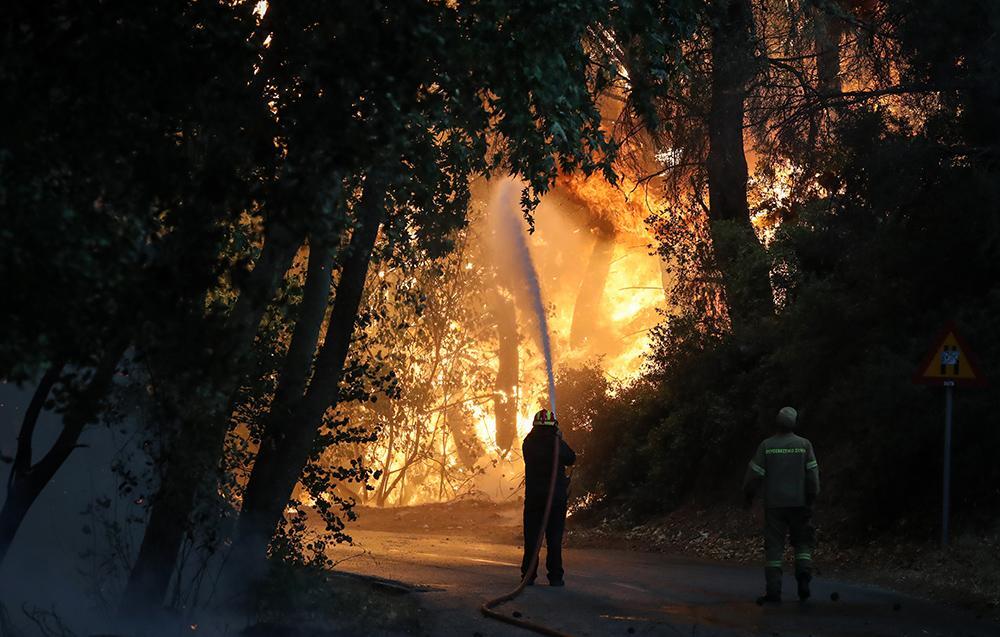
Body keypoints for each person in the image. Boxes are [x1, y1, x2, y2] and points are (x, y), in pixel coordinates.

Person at [743, 406, 820, 604]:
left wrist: (748, 496)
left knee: (774, 549)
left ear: (776, 422)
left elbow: (754, 475)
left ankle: (774, 592)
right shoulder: (804, 445)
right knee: (802, 544)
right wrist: (811, 497)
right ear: (795, 423)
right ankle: (803, 580)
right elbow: (812, 476)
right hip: (800, 503)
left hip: (775, 506)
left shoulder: (767, 446)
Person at [521, 408, 576, 586]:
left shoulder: (528, 443)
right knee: (554, 539)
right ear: (554, 426)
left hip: (534, 499)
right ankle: (555, 577)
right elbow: (571, 458)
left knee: (532, 539)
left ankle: (528, 576)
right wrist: (559, 438)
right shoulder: (556, 443)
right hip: (555, 500)